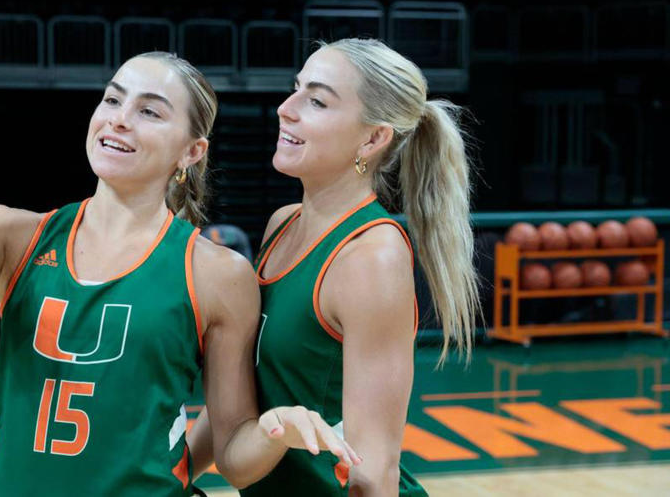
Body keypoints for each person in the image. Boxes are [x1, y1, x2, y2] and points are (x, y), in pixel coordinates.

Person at [0, 33, 359, 495]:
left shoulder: (216, 273)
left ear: (191, 151)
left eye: (149, 111)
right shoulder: (16, 237)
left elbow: (234, 459)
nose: (118, 117)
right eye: (113, 98)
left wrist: (277, 430)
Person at [189, 38, 479, 496]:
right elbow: (243, 404)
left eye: (318, 101)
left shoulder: (371, 257)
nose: (286, 108)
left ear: (373, 138)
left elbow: (375, 470)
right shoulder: (282, 225)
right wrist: (161, 475)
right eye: (296, 88)